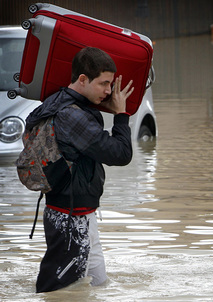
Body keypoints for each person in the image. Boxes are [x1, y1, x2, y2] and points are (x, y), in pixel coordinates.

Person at [26, 47, 134, 292]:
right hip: (70, 219)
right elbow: (121, 154)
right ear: (83, 79)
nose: (109, 91)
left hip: (78, 214)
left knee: (97, 287)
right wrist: (121, 114)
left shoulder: (58, 102)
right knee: (58, 291)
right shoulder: (70, 115)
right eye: (104, 83)